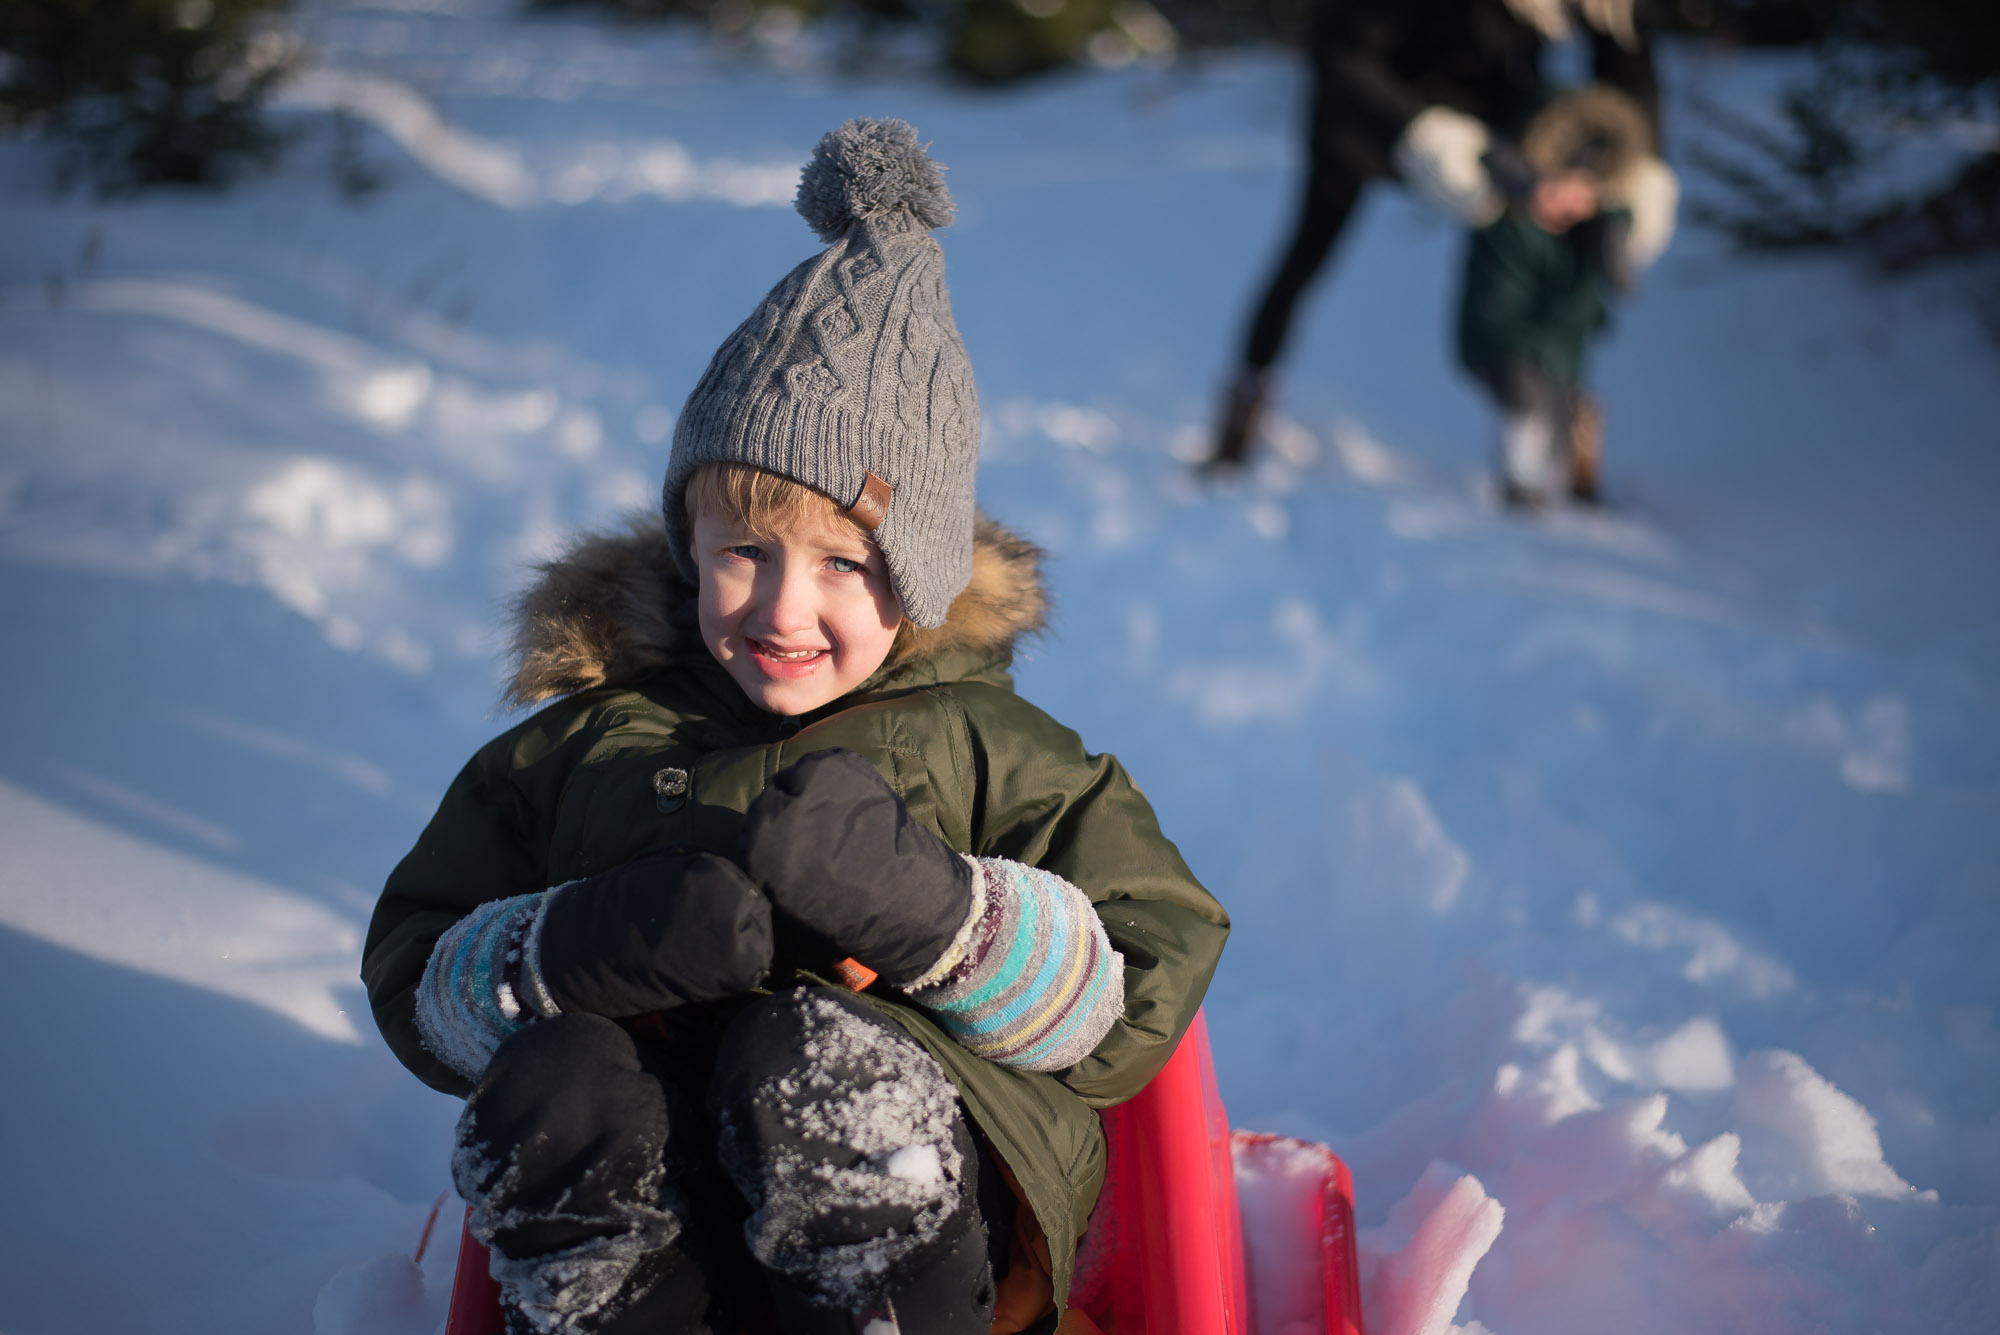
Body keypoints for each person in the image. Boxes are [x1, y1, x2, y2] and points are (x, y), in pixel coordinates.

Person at [361, 118, 1229, 1335]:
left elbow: (1139, 986)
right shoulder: (581, 747)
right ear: (686, 550)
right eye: (743, 554)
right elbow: (417, 979)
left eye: (842, 563)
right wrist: (570, 946)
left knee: (814, 1056)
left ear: (920, 576)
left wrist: (944, 916)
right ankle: (611, 1308)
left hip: (925, 1214)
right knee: (557, 1082)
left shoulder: (990, 748)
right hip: (661, 1202)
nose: (783, 607)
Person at [1207, 0, 1678, 484]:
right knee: (1305, 256)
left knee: (1554, 242)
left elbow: (1629, 76)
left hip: (1490, 127)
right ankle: (1245, 400)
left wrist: (1622, 172)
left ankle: (1548, 407)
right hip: (1369, 123)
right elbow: (1341, 61)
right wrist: (1430, 137)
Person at [1456, 85, 1653, 504]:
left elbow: (1596, 300)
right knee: (1527, 402)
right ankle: (1521, 476)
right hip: (1507, 343)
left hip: (1564, 347)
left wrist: (1612, 247)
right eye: (1560, 187)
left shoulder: (1592, 232)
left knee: (1570, 401)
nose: (1570, 202)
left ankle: (1577, 471)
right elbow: (1497, 307)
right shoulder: (1511, 228)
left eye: (1583, 191)